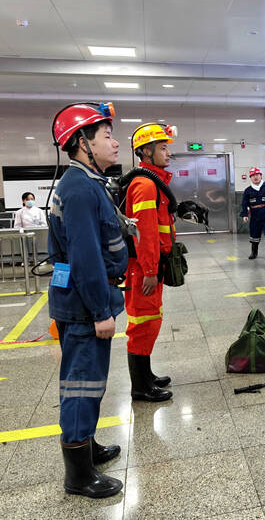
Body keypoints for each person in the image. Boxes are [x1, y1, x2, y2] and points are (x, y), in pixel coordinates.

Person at [49, 101, 128, 498]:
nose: (115, 143)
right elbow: (85, 257)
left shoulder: (86, 181)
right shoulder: (80, 188)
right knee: (81, 384)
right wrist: (100, 311)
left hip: (82, 300)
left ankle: (88, 446)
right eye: (107, 136)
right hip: (84, 306)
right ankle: (78, 474)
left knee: (90, 382)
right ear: (83, 142)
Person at [123, 122, 179, 403]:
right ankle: (140, 386)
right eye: (163, 148)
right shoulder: (145, 185)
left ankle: (146, 375)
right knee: (143, 323)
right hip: (143, 268)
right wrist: (149, 270)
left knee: (150, 320)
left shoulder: (153, 182)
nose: (168, 153)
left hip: (151, 265)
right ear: (146, 151)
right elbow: (144, 233)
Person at [240, 167, 265, 260]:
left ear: (261, 176)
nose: (255, 177)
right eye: (253, 176)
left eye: (257, 175)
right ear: (250, 178)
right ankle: (254, 252)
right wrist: (245, 214)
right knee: (254, 235)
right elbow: (244, 203)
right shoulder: (248, 190)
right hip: (255, 216)